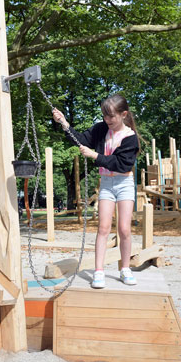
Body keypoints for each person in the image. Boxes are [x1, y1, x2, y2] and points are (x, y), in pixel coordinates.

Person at [52, 94, 140, 289]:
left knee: (124, 229)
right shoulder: (102, 129)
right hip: (106, 184)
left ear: (123, 114)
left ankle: (125, 268)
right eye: (105, 116)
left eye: (111, 116)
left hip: (124, 182)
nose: (107, 120)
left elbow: (121, 164)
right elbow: (81, 139)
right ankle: (98, 271)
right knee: (103, 228)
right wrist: (65, 123)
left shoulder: (130, 138)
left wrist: (95, 155)